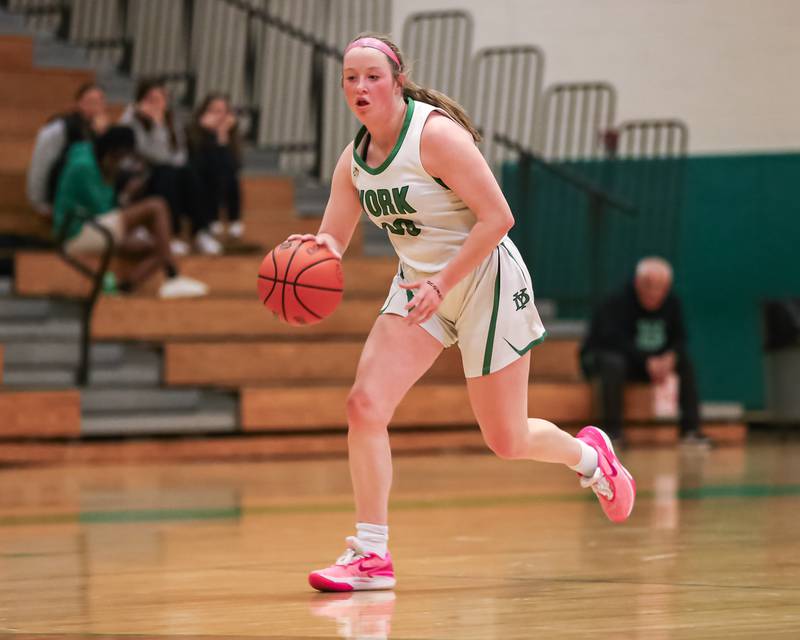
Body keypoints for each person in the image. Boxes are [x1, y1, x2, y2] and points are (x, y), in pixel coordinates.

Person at [294, 34, 636, 593]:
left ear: (396, 80)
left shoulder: (433, 135)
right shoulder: (354, 161)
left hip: (485, 281)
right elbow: (334, 239)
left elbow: (498, 218)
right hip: (419, 288)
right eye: (350, 78)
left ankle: (592, 459)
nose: (360, 87)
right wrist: (310, 253)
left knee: (506, 439)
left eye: (372, 76)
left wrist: (443, 281)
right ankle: (372, 555)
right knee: (364, 405)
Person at [53, 125, 208, 298]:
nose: (121, 164)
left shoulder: (98, 161)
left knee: (161, 248)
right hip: (75, 232)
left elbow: (107, 212)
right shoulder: (83, 166)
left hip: (97, 227)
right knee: (156, 206)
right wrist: (125, 197)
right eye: (121, 158)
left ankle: (126, 287)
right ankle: (173, 275)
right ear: (113, 151)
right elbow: (101, 209)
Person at [580, 257, 703, 444]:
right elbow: (611, 340)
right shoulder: (616, 302)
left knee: (685, 362)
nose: (654, 293)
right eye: (649, 286)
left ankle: (691, 431)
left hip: (650, 364)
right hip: (610, 361)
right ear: (637, 282)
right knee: (613, 363)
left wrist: (670, 357)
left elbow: (680, 338)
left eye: (661, 287)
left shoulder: (672, 303)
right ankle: (613, 432)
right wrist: (645, 360)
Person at [119, 78, 222, 255]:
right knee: (166, 172)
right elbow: (150, 154)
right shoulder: (131, 120)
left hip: (167, 174)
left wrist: (161, 128)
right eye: (152, 99)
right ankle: (169, 235)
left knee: (188, 172)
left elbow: (180, 154)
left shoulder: (172, 121)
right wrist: (156, 126)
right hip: (138, 178)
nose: (158, 104)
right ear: (141, 100)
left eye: (161, 99)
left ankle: (200, 232)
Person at [27, 83, 110, 217]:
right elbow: (41, 165)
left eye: (100, 102)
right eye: (90, 101)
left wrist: (102, 136)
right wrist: (40, 203)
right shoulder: (60, 127)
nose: (95, 106)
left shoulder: (106, 131)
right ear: (78, 104)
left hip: (92, 198)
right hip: (62, 195)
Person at [186, 93, 244, 240]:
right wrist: (211, 135)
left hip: (223, 178)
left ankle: (233, 219)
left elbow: (235, 165)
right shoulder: (192, 132)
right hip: (199, 178)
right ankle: (213, 218)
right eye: (214, 111)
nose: (219, 117)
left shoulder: (231, 135)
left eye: (222, 112)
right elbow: (199, 163)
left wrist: (222, 138)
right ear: (203, 113)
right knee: (214, 172)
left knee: (229, 174)